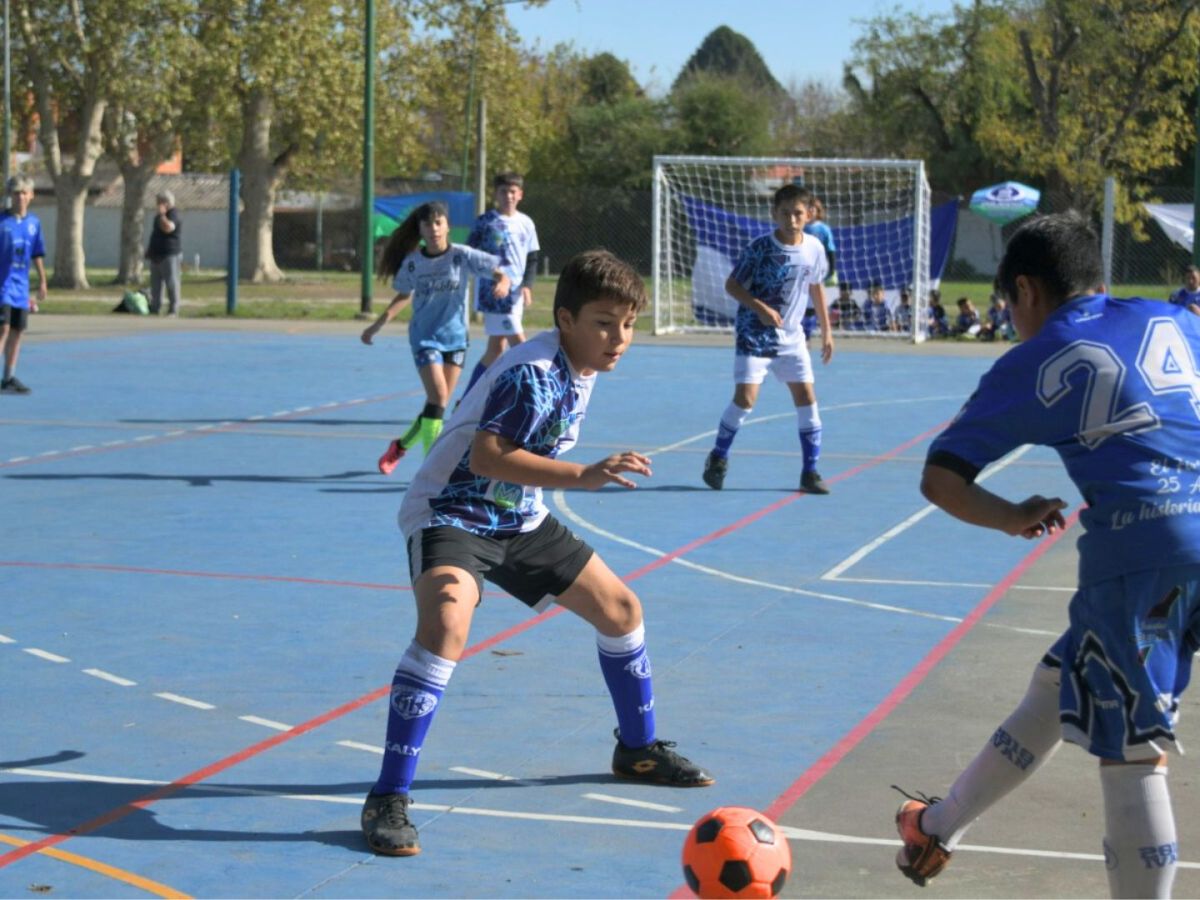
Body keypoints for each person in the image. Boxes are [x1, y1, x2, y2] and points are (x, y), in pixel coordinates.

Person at [360, 249, 714, 857]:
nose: (619, 338)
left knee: (621, 611)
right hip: (455, 511)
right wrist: (585, 474)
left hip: (518, 515)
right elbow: (486, 459)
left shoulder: (581, 365)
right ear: (566, 318)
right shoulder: (532, 371)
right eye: (605, 322)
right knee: (447, 620)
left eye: (628, 324)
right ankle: (387, 797)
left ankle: (637, 750)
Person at [893, 212, 1200, 899]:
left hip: (1148, 550)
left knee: (1131, 757)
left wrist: (1011, 517)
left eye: (1008, 304)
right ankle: (938, 826)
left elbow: (940, 480)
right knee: (1057, 679)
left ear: (1026, 291)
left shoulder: (1038, 357)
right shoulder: (1172, 319)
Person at [701, 183, 834, 494]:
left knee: (807, 399)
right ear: (774, 213)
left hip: (792, 338)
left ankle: (810, 471)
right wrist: (758, 307)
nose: (791, 220)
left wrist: (827, 331)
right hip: (754, 334)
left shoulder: (814, 247)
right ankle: (718, 457)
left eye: (798, 213)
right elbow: (732, 285)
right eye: (785, 213)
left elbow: (816, 287)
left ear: (809, 214)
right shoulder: (760, 248)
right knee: (746, 399)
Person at [361, 201, 510, 474]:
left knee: (437, 406)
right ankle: (433, 469)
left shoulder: (461, 255)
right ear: (420, 229)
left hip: (455, 338)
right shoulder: (413, 264)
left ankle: (401, 446)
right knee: (439, 396)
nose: (434, 229)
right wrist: (377, 324)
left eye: (438, 223)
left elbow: (498, 271)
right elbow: (403, 295)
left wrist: (502, 281)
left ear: (447, 226)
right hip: (425, 338)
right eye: (428, 224)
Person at [462, 172, 541, 392]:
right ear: (495, 194)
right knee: (521, 345)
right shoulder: (485, 222)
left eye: (513, 191)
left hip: (515, 292)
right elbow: (471, 255)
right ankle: (535, 392)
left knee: (495, 349)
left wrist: (527, 285)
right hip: (494, 293)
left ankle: (468, 399)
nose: (508, 196)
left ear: (520, 194)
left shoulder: (526, 223)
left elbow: (532, 257)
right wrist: (494, 277)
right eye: (504, 191)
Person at [0, 176, 46, 395]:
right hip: (2, 286)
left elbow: (37, 253)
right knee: (3, 329)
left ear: (31, 195)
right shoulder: (2, 222)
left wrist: (42, 281)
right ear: (10, 195)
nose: (20, 196)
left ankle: (8, 377)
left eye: (24, 192)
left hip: (21, 287)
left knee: (17, 332)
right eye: (16, 192)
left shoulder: (33, 223)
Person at [146, 190, 182, 316]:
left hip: (169, 254)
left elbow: (168, 228)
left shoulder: (173, 214)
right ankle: (155, 307)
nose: (156, 205)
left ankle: (173, 308)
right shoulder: (158, 216)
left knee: (171, 282)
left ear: (165, 203)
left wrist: (162, 215)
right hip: (156, 254)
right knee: (155, 283)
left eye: (158, 203)